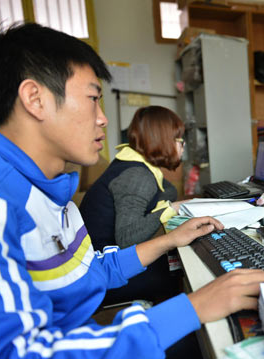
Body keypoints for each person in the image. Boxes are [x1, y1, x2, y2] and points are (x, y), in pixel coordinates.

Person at [0, 22, 264, 359]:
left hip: (76, 346)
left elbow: (90, 271)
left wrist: (170, 240)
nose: (103, 118)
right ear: (35, 98)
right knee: (230, 351)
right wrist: (193, 306)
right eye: (93, 98)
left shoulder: (50, 188)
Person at [80, 105, 188, 306]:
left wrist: (169, 202)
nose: (182, 146)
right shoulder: (137, 176)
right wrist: (170, 209)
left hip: (103, 264)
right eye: (178, 139)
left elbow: (167, 189)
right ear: (162, 139)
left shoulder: (132, 165)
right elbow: (128, 239)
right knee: (181, 269)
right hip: (105, 274)